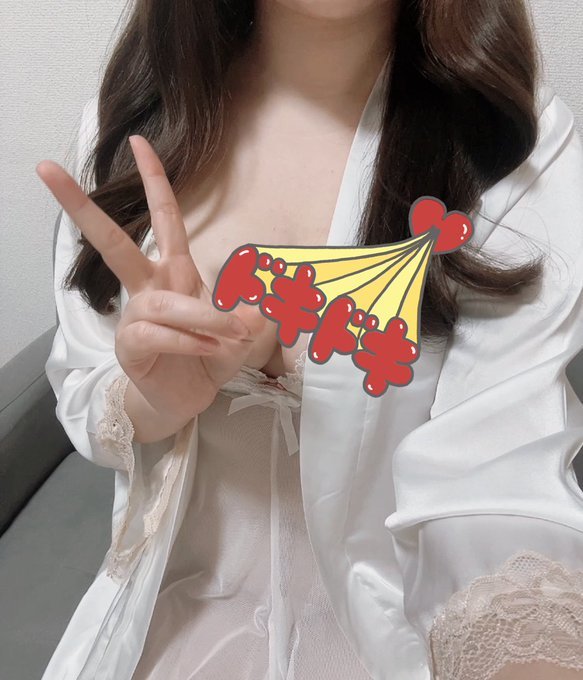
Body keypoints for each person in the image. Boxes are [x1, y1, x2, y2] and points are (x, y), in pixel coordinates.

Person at [36, 1, 583, 679]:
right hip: (167, 619)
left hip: (397, 634)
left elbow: (499, 475)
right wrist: (155, 400)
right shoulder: (133, 121)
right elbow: (88, 385)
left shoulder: (509, 140)